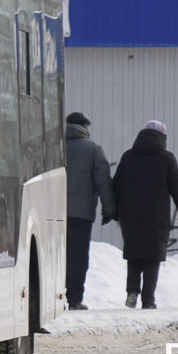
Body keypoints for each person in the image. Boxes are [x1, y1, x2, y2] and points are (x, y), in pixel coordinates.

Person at [109, 120, 178, 309]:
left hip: (130, 215)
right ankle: (148, 300)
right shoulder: (167, 158)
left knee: (134, 254)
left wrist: (113, 212)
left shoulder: (128, 157)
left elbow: (116, 186)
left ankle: (132, 290)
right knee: (152, 257)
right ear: (163, 137)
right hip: (157, 216)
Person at [64, 111, 115, 310]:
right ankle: (74, 299)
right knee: (78, 255)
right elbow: (103, 183)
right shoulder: (93, 149)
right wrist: (109, 210)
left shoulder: (53, 147)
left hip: (51, 212)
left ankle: (52, 297)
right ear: (86, 127)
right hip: (81, 214)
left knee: (55, 255)